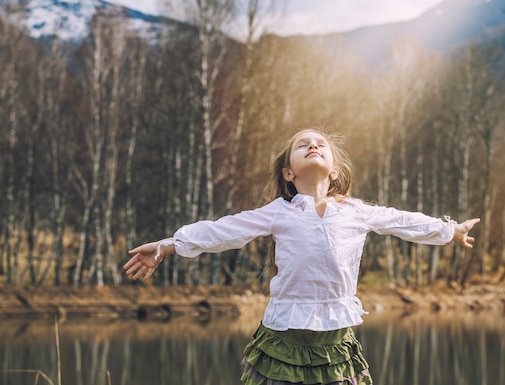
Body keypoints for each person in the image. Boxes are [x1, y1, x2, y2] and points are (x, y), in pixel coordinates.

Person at [124, 128, 480, 385]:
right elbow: (225, 230)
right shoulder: (280, 211)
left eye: (320, 144)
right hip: (284, 340)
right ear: (289, 173)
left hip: (335, 342)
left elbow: (402, 221)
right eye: (302, 144)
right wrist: (169, 244)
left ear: (335, 170)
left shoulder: (356, 211)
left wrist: (450, 230)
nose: (313, 145)